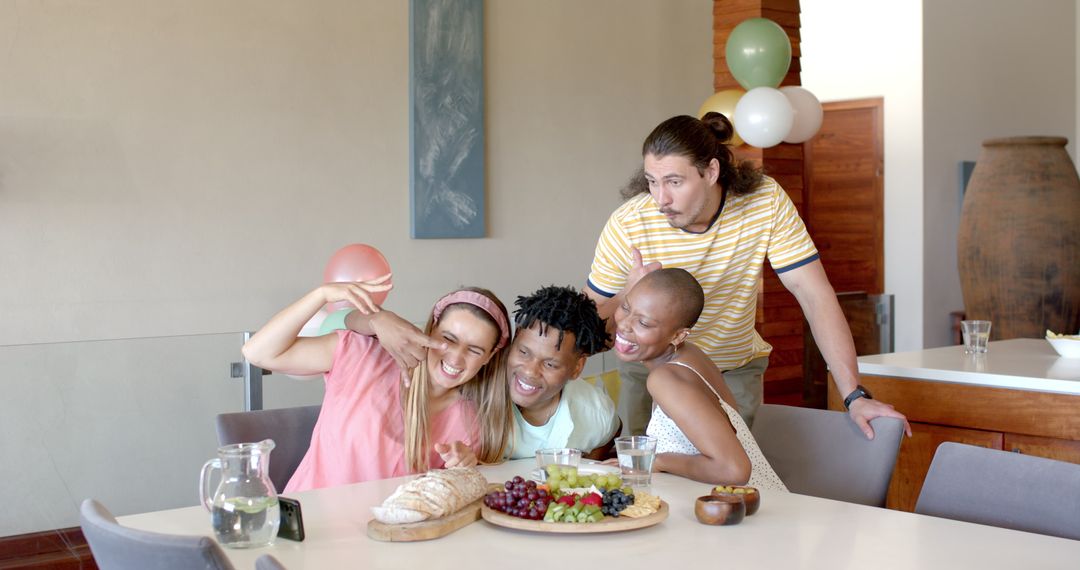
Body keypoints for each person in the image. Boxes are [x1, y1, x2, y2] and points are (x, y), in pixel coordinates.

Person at [585, 113, 910, 439]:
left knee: (732, 478)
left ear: (711, 171)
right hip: (648, 369)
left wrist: (853, 395)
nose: (660, 200)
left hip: (732, 370)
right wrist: (627, 292)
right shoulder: (629, 222)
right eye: (652, 182)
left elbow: (814, 295)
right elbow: (588, 319)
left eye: (674, 182)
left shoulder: (763, 202)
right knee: (643, 480)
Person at [241, 277, 514, 492]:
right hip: (311, 528)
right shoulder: (361, 355)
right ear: (429, 329)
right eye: (448, 338)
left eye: (475, 349)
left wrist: (465, 468)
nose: (455, 356)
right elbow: (258, 352)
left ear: (489, 358)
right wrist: (321, 294)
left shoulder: (470, 423)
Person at [348, 285, 620, 460]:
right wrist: (374, 319)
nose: (530, 371)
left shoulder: (593, 409)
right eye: (523, 353)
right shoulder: (473, 384)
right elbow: (340, 324)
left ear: (577, 368)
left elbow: (610, 434)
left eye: (550, 364)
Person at [610, 268, 785, 489]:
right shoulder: (690, 353)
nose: (625, 324)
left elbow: (734, 470)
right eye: (626, 307)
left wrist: (657, 461)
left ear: (678, 335)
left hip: (744, 507)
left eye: (644, 323)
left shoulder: (665, 379)